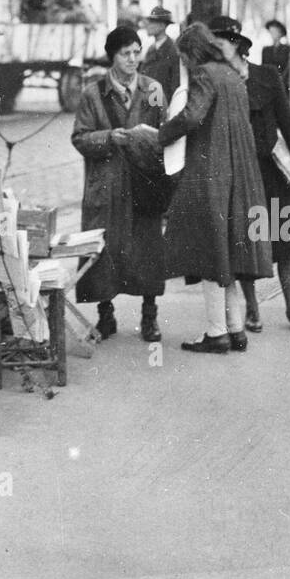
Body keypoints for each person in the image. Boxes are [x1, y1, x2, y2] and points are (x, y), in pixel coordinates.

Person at [159, 22, 271, 354]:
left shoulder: (204, 75)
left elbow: (192, 117)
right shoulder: (234, 74)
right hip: (242, 173)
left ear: (191, 52)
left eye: (183, 56)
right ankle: (236, 330)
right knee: (230, 253)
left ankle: (217, 332)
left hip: (212, 171)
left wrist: (163, 133)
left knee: (210, 251)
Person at [209, 16, 290, 335]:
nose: (217, 50)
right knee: (248, 242)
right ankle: (253, 309)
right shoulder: (218, 82)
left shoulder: (267, 76)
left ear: (238, 45)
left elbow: (286, 121)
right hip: (241, 173)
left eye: (222, 43)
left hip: (273, 170)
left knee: (286, 241)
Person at [71, 25, 167, 343]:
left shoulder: (153, 89)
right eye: (125, 53)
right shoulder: (92, 93)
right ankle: (106, 315)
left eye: (137, 52)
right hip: (107, 184)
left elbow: (167, 132)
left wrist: (152, 141)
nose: (133, 59)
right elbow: (80, 137)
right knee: (104, 250)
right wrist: (108, 137)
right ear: (112, 56)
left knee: (148, 247)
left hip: (144, 182)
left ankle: (149, 317)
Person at [262, 19, 290, 122]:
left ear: (281, 34)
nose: (272, 35)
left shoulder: (287, 49)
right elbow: (263, 68)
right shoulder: (266, 50)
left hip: (284, 86)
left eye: (275, 32)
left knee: (285, 116)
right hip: (270, 86)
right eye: (271, 32)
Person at [140, 5, 181, 102]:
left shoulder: (172, 50)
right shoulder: (151, 49)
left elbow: (175, 84)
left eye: (152, 22)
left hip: (163, 104)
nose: (148, 25)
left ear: (162, 25)